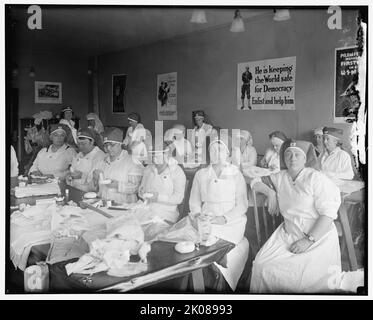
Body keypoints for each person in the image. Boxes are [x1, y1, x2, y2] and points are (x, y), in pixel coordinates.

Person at [250, 140, 342, 293]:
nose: (293, 158)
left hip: (317, 236)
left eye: (297, 154)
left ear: (305, 159)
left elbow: (328, 215)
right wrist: (270, 192)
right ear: (283, 158)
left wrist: (308, 240)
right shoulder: (280, 177)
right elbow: (255, 181)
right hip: (288, 232)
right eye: (288, 154)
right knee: (261, 264)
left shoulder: (316, 179)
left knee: (302, 277)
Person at [189, 139, 249, 291]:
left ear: (228, 153)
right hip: (206, 217)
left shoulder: (236, 174)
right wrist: (197, 215)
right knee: (193, 236)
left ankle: (216, 257)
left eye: (220, 149)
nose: (216, 153)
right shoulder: (201, 174)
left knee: (207, 239)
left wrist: (223, 219)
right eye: (213, 150)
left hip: (231, 221)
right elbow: (194, 201)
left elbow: (242, 205)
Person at [138, 141, 187, 224]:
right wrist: (141, 192)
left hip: (166, 215)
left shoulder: (177, 171)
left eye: (157, 155)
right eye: (152, 155)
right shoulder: (148, 169)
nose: (154, 158)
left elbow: (178, 198)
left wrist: (158, 197)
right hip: (146, 210)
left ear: (166, 154)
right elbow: (141, 190)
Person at [92, 127, 144, 204]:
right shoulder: (101, 161)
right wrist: (95, 179)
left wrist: (118, 185)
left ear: (121, 143)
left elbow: (136, 187)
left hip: (124, 207)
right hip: (104, 204)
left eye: (112, 145)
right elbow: (95, 188)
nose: (108, 148)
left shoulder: (131, 161)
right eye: (106, 145)